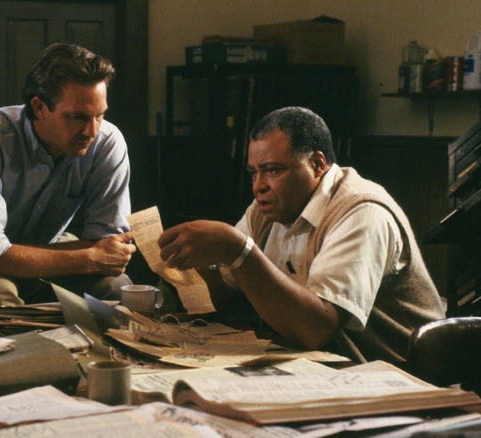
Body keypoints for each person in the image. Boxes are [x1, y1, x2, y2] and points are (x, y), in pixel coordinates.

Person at [158, 107, 445, 363]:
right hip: (325, 367)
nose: (259, 186)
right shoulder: (266, 210)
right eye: (253, 173)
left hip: (399, 377)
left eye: (272, 170)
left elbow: (316, 329)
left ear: (317, 165)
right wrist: (198, 262)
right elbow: (227, 296)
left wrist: (235, 249)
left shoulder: (361, 211)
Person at [0, 43, 136, 314]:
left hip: (47, 244)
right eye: (77, 117)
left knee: (117, 287)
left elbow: (111, 251)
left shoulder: (107, 142)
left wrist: (2, 255)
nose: (91, 131)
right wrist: (87, 256)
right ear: (40, 107)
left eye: (100, 115)